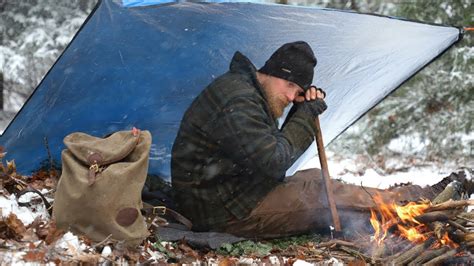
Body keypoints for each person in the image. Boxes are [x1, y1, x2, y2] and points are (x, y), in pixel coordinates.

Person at [171, 41, 465, 238]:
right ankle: (418, 200)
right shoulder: (238, 100)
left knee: (314, 177)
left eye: (296, 90)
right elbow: (274, 162)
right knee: (320, 196)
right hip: (223, 211)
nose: (290, 96)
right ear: (271, 72)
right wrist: (306, 113)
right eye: (289, 86)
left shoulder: (245, 90)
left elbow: (266, 150)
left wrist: (301, 109)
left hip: (227, 194)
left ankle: (405, 198)